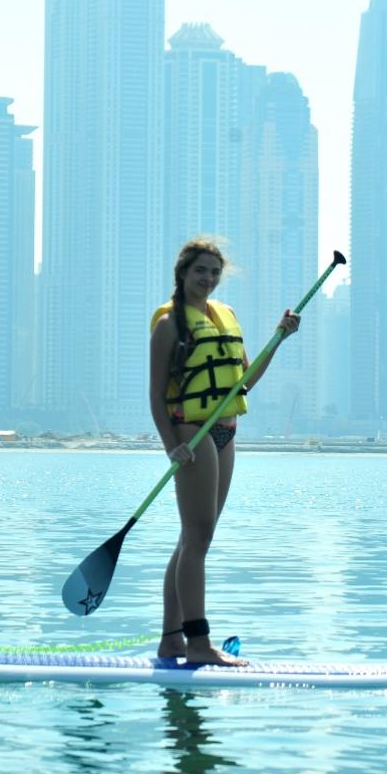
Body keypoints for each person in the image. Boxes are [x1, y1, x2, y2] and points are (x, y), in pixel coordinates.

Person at [149, 238, 299, 664]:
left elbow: (244, 380)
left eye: (215, 272)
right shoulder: (169, 325)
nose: (209, 279)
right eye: (201, 271)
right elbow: (156, 395)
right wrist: (172, 446)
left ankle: (171, 640)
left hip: (226, 432)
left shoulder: (225, 316)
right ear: (183, 272)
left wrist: (279, 338)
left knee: (192, 539)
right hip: (192, 434)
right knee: (198, 538)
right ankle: (198, 644)